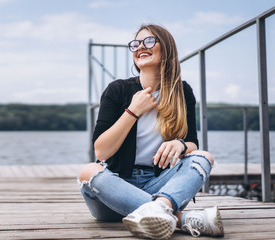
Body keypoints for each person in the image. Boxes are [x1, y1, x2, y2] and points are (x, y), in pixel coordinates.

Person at [78, 24, 224, 239]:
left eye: (149, 41)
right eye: (135, 44)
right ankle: (180, 218)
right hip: (114, 192)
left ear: (166, 48)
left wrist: (181, 145)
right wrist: (132, 111)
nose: (140, 47)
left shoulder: (183, 92)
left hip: (161, 186)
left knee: (204, 157)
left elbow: (193, 143)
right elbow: (101, 152)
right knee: (88, 172)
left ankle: (160, 210)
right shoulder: (117, 90)